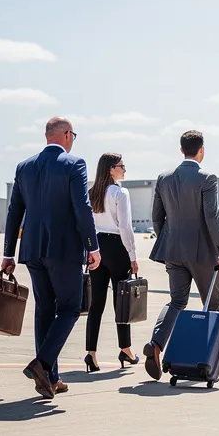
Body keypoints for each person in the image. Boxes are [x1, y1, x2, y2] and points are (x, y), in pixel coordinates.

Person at [2, 117, 100, 399]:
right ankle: (42, 364)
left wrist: (8, 252)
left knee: (44, 309)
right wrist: (92, 246)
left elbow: (14, 212)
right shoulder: (74, 164)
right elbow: (82, 207)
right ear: (67, 135)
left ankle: (51, 378)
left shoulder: (24, 167)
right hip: (64, 249)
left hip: (33, 249)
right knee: (69, 308)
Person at [141, 130, 219, 381]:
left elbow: (157, 217)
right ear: (201, 150)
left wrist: (169, 240)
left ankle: (157, 343)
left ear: (181, 150)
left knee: (177, 301)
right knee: (212, 304)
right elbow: (211, 217)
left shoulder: (164, 178)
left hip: (173, 251)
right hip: (202, 253)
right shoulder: (207, 178)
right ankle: (206, 359)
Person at [84, 152, 141, 371]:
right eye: (121, 166)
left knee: (96, 304)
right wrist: (133, 256)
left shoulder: (91, 193)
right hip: (117, 249)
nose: (125, 169)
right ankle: (125, 349)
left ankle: (91, 354)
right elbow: (125, 227)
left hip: (97, 248)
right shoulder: (120, 192)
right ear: (111, 169)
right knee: (122, 301)